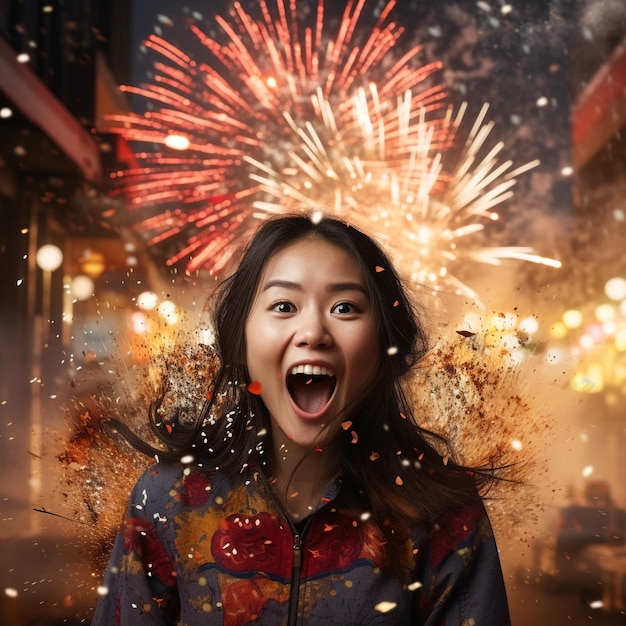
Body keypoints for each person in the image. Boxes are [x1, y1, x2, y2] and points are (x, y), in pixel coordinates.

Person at [92, 213, 511, 625]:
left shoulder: (446, 515)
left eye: (345, 307)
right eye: (284, 305)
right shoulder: (169, 499)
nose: (313, 331)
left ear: (384, 347)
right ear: (240, 342)